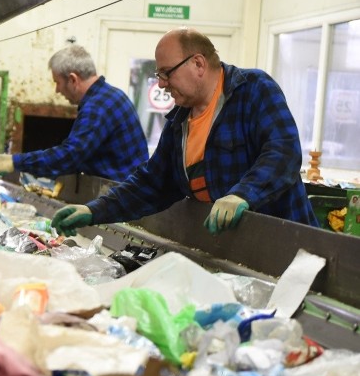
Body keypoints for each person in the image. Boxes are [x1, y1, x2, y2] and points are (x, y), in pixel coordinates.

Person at [52, 28, 318, 236]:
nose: (161, 83)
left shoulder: (253, 89)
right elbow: (151, 183)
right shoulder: (180, 119)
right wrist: (93, 209)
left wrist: (243, 194)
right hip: (232, 249)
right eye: (159, 75)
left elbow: (284, 151)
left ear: (199, 64)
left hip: (286, 248)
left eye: (167, 73)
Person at [0, 44, 148, 183]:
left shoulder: (97, 106)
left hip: (123, 197)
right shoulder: (110, 95)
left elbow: (70, 156)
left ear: (73, 79)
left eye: (57, 82)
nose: (57, 90)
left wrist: (13, 162)